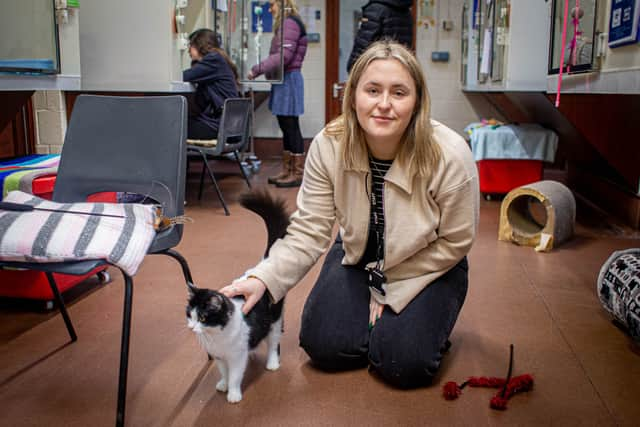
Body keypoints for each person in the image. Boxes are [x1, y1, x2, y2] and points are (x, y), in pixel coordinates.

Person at [222, 40, 479, 389]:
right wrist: (264, 278)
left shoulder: (449, 155)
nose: (384, 104)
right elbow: (310, 229)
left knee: (403, 363)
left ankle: (404, 332)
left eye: (399, 92)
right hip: (361, 251)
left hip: (429, 260)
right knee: (322, 345)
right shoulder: (330, 144)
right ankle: (382, 329)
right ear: (354, 94)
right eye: (372, 90)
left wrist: (393, 291)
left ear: (417, 100)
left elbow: (457, 239)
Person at [248, 0, 308, 188]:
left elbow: (284, 56)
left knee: (291, 126)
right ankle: (288, 170)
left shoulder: (290, 23)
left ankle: (296, 173)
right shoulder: (287, 23)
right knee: (286, 125)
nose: (270, 8)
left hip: (289, 79)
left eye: (273, 4)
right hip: (284, 79)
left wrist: (257, 69)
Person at [183, 29, 240, 140]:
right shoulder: (217, 60)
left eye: (190, 45)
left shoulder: (213, 60)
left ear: (199, 45)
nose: (188, 50)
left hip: (220, 127)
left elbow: (185, 76)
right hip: (228, 126)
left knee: (173, 125)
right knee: (180, 122)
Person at [346, 0, 413, 73]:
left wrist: (353, 68)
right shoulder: (406, 11)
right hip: (399, 68)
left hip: (376, 69)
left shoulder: (375, 9)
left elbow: (363, 43)